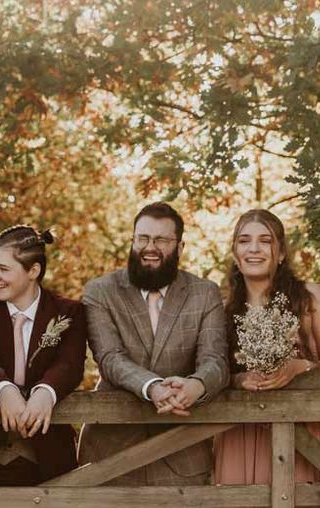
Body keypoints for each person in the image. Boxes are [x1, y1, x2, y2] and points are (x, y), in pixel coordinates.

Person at [78, 202, 229, 485]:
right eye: (143, 238)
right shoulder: (100, 292)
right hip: (111, 452)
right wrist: (153, 388)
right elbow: (110, 357)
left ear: (180, 247)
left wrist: (196, 385)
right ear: (133, 241)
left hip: (183, 449)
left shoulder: (205, 293)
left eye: (161, 240)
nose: (150, 247)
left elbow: (216, 360)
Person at [214, 209, 320, 484]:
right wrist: (239, 379)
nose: (254, 249)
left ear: (282, 252)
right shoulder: (219, 305)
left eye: (265, 240)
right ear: (235, 252)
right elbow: (208, 370)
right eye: (244, 240)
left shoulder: (309, 298)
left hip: (299, 432)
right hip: (237, 431)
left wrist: (300, 368)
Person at [0, 225, 87, 485]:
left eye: (3, 269)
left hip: (48, 457)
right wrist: (4, 389)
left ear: (33, 271)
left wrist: (45, 393)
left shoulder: (69, 312)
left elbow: (70, 364)